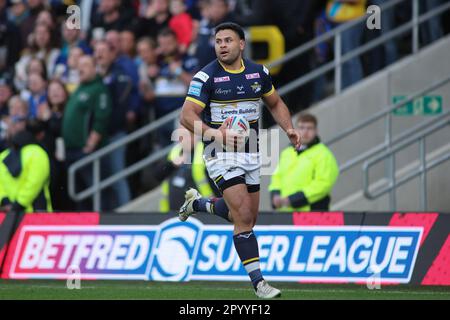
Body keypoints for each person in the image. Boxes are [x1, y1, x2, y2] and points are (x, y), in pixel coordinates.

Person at [179, 22, 301, 298]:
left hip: (252, 151)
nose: (222, 45)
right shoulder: (206, 77)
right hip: (218, 152)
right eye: (218, 41)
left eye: (228, 40)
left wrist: (289, 128)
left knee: (244, 216)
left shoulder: (259, 73)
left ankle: (197, 203)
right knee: (243, 217)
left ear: (241, 44)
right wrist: (213, 133)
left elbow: (275, 104)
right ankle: (259, 283)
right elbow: (186, 116)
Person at [62, 55, 112, 210]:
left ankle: (102, 218)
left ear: (94, 68)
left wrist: (91, 143)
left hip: (86, 151)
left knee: (94, 190)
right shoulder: (80, 88)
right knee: (79, 192)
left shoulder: (98, 89)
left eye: (85, 65)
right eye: (79, 65)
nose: (80, 68)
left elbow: (102, 117)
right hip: (72, 150)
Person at [269, 113, 339, 211]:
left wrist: (292, 200)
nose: (305, 132)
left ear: (316, 131)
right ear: (296, 130)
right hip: (285, 214)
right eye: (301, 128)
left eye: (309, 128)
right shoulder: (287, 152)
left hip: (312, 214)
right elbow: (277, 177)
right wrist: (275, 194)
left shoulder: (324, 154)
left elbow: (323, 184)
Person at [154, 27, 198, 147]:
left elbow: (196, 85)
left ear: (176, 42)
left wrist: (179, 71)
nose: (165, 47)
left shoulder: (188, 60)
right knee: (164, 156)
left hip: (180, 117)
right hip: (160, 117)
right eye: (162, 44)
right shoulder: (158, 62)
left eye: (168, 43)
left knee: (181, 153)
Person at [0, 118, 52, 214]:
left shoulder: (3, 156)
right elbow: (34, 183)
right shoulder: (38, 153)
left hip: (7, 214)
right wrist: (19, 204)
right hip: (36, 214)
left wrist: (5, 201)